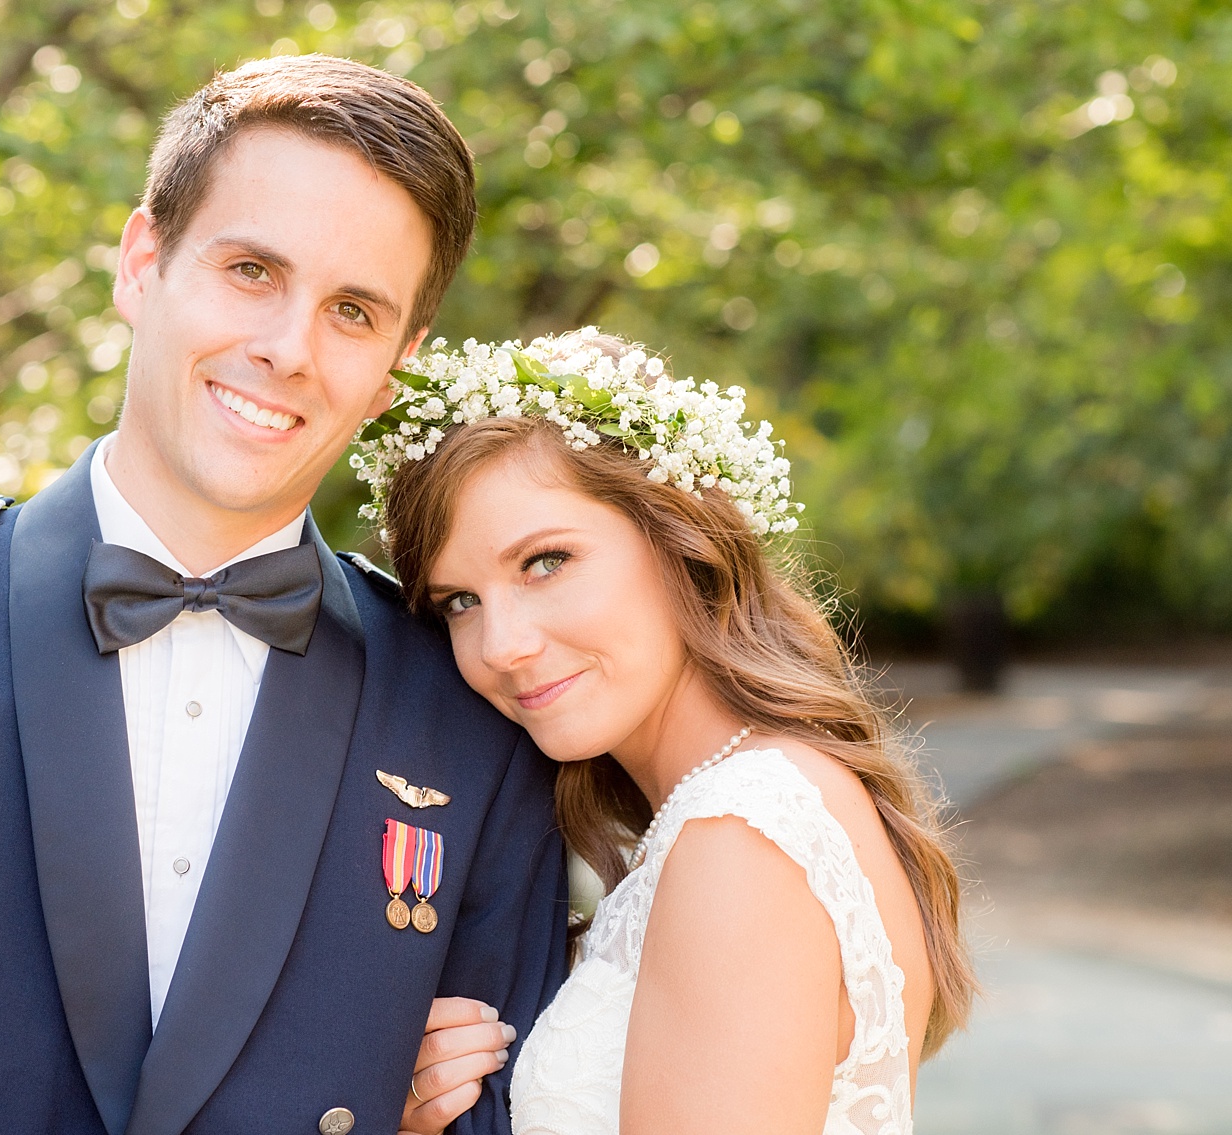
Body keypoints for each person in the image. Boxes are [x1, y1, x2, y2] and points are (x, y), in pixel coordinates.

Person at [0, 56, 563, 1135]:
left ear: (397, 363)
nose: (286, 348)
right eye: (252, 269)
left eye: (352, 311)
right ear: (141, 262)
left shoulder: (465, 707)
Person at [373, 329, 977, 1134]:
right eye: (460, 601)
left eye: (545, 561)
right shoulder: (741, 803)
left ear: (678, 535)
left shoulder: (743, 833)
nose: (501, 645)